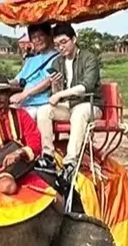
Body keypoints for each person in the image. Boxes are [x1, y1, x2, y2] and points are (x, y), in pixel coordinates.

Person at [36, 22, 101, 182]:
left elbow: (87, 86)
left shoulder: (88, 58)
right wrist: (56, 86)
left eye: (64, 42)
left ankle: (70, 161)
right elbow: (56, 95)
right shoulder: (57, 63)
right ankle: (48, 156)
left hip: (90, 104)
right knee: (43, 111)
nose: (61, 47)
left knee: (79, 113)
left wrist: (59, 95)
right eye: (57, 45)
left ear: (74, 39)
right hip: (68, 106)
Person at [9, 24, 59, 118]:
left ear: (49, 36)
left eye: (41, 35)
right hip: (24, 102)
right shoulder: (30, 60)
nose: (37, 40)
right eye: (34, 37)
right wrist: (4, 82)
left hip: (42, 103)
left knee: (22, 118)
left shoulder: (58, 58)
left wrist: (24, 94)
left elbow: (49, 81)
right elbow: (18, 80)